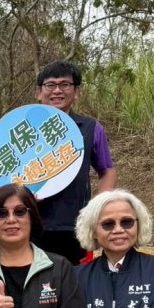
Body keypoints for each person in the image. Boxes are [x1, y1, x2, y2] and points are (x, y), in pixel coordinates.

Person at [33, 61, 116, 264]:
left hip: (74, 225)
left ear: (76, 91)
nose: (57, 91)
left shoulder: (90, 128)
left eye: (65, 85)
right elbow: (7, 175)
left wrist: (96, 208)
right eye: (50, 85)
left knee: (75, 285)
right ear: (39, 92)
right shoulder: (23, 129)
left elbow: (108, 171)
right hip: (31, 224)